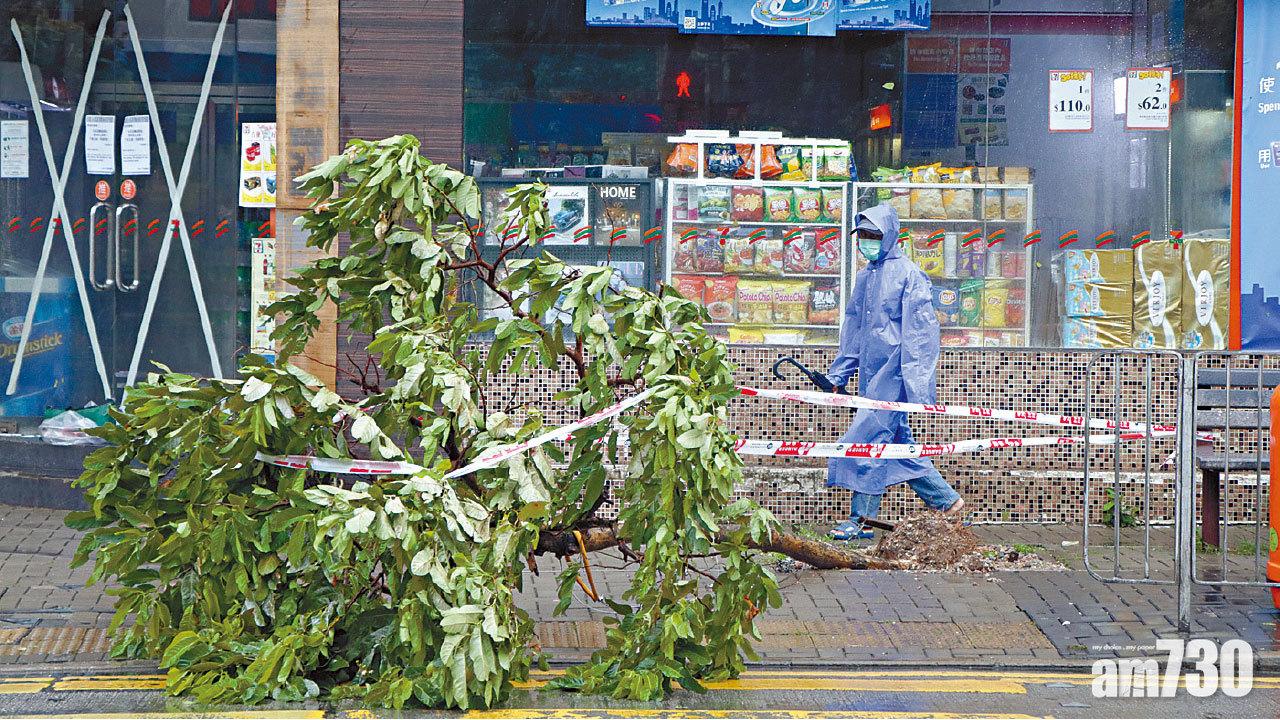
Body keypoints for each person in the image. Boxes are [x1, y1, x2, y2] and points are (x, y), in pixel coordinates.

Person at [826, 204, 964, 541]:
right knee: (895, 446)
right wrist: (839, 374)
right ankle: (947, 502)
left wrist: (917, 390)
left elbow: (920, 335)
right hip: (871, 377)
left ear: (889, 236)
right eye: (864, 236)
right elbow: (854, 327)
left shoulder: (909, 275)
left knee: (868, 441)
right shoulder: (865, 276)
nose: (868, 242)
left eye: (875, 235)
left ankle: (860, 520)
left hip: (894, 376)